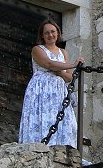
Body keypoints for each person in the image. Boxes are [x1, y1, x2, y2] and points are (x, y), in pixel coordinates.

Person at [18, 19, 83, 147]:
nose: (50, 35)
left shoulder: (63, 52)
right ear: (42, 35)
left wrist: (60, 73)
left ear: (57, 34)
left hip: (58, 90)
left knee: (62, 119)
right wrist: (73, 64)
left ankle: (63, 147)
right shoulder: (37, 49)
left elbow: (69, 77)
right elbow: (48, 64)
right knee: (42, 116)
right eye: (46, 33)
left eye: (53, 32)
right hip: (41, 88)